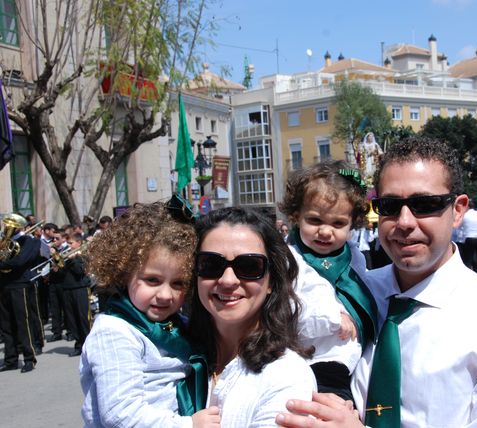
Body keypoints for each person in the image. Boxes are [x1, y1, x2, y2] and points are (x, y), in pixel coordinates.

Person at [277, 136, 477, 427]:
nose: (404, 221)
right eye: (389, 205)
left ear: (458, 210)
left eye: (424, 204)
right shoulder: (352, 292)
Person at [80, 202, 220, 427]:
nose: (165, 294)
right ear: (125, 273)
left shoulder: (178, 324)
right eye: (152, 280)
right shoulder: (114, 332)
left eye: (178, 283)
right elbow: (119, 413)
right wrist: (188, 424)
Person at [188, 207, 316, 427]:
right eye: (211, 265)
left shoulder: (287, 375)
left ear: (272, 282)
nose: (228, 280)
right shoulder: (169, 356)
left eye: (248, 266)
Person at [279, 160, 378, 400]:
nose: (325, 231)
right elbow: (283, 312)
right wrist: (333, 319)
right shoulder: (288, 259)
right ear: (295, 216)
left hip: (353, 361)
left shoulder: (352, 255)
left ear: (352, 223)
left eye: (338, 223)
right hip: (312, 359)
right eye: (315, 220)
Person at [0, 214, 41, 373]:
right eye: (7, 224)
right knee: (6, 324)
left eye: (12, 224)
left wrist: (2, 263)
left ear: (20, 226)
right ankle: (11, 359)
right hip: (3, 285)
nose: (8, 226)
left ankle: (29, 358)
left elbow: (21, 261)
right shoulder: (3, 241)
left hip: (20, 284)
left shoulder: (30, 241)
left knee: (23, 323)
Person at [51, 233, 91, 357]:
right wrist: (57, 264)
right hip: (67, 289)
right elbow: (61, 273)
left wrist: (74, 259)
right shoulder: (67, 257)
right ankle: (78, 344)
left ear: (79, 243)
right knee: (72, 319)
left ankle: (88, 345)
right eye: (68, 243)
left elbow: (79, 272)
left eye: (71, 243)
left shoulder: (83, 255)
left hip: (80, 289)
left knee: (83, 318)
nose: (68, 245)